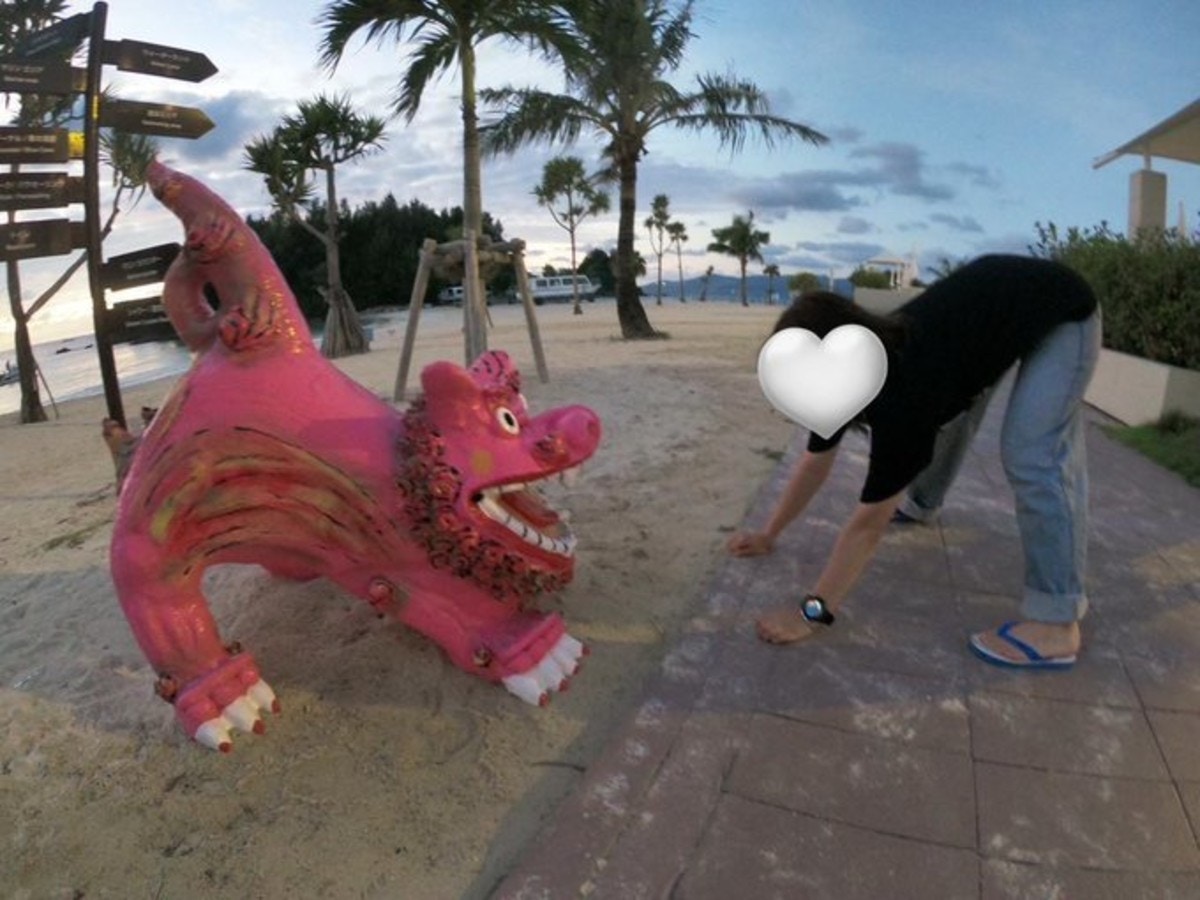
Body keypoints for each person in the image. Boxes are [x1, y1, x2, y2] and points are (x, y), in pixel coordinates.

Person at [728, 254, 1101, 668]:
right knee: (949, 411)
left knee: (1033, 455)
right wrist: (768, 533)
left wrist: (810, 615)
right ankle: (923, 504)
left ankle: (1057, 625)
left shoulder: (904, 397)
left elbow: (867, 527)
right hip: (994, 317)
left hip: (1063, 311)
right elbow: (815, 462)